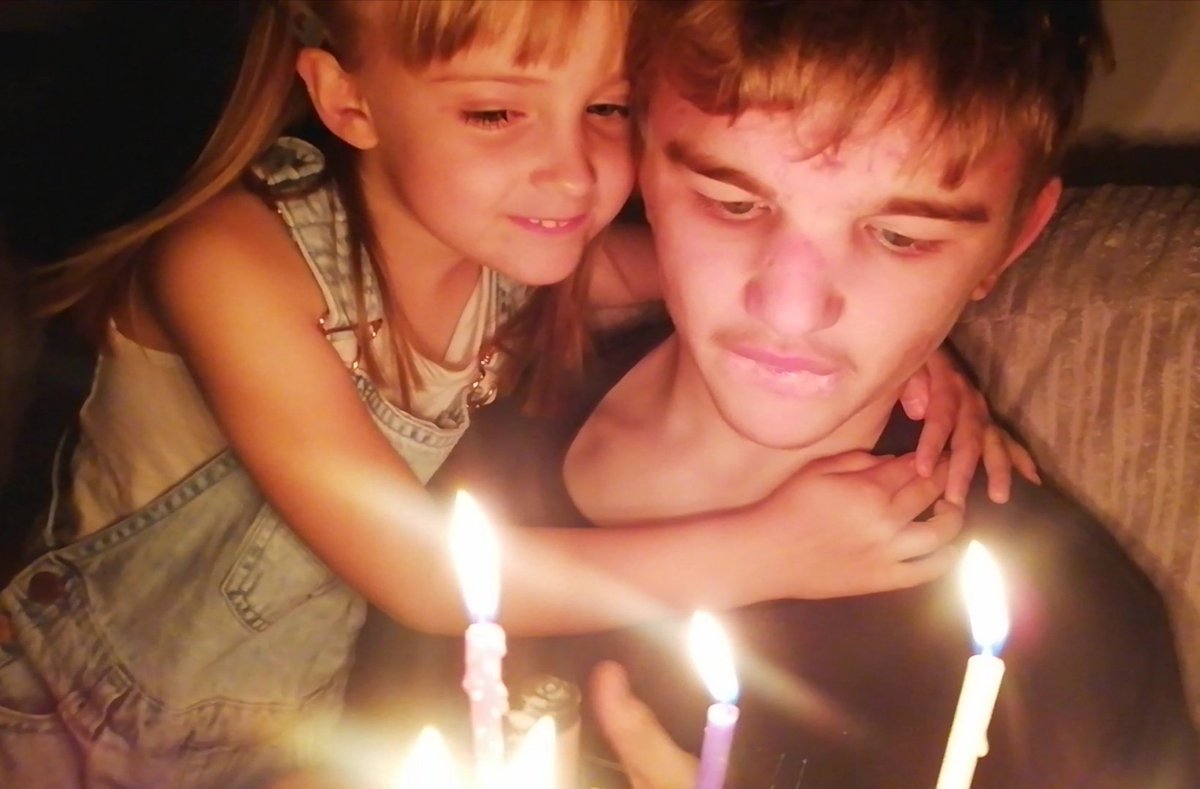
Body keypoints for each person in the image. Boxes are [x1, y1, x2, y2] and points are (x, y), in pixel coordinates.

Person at [0, 1, 1032, 786]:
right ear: (347, 100)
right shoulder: (229, 258)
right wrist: (773, 550)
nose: (571, 173)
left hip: (291, 736)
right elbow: (423, 579)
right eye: (495, 112)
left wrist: (920, 356)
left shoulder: (523, 251)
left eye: (608, 109)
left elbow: (732, 292)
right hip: (68, 726)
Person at [425, 1, 1200, 787]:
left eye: (901, 236)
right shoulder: (491, 412)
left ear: (1014, 238)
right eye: (734, 204)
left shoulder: (1066, 634)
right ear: (642, 162)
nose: (791, 311)